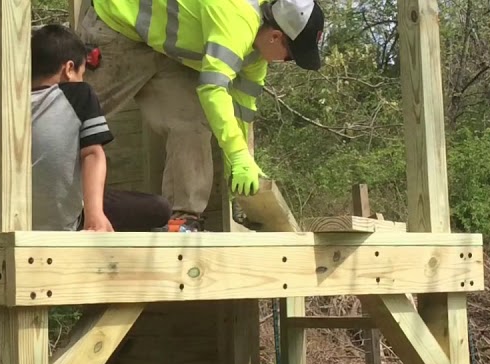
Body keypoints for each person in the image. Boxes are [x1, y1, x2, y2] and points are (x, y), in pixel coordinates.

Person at [77, 0, 326, 231]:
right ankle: (52, 199)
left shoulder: (256, 53)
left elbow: (242, 108)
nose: (285, 61)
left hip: (166, 51)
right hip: (116, 24)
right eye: (290, 56)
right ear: (275, 36)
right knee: (74, 117)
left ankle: (183, 219)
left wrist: (241, 163)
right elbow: (213, 89)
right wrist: (237, 156)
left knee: (192, 121)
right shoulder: (237, 19)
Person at [0, 24, 172, 237]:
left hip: (17, 225)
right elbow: (92, 154)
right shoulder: (78, 94)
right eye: (82, 73)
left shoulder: (7, 108)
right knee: (159, 210)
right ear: (69, 69)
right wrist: (95, 216)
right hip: (69, 221)